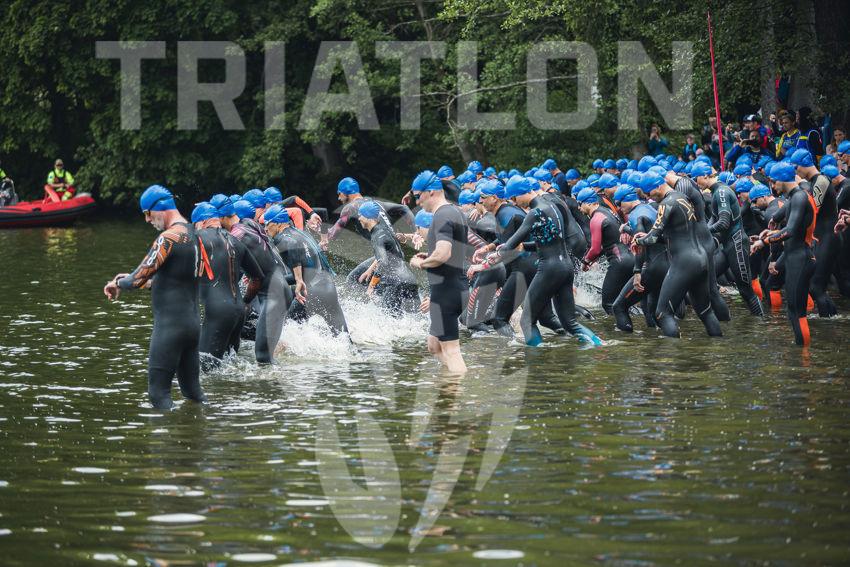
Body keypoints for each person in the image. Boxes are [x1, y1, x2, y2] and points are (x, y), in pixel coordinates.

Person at [102, 185, 207, 409]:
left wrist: (118, 283)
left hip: (171, 327)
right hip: (192, 326)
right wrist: (144, 281)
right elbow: (178, 279)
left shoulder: (168, 238)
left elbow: (137, 278)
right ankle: (209, 427)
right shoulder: (195, 235)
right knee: (192, 392)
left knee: (158, 394)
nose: (147, 220)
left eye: (147, 214)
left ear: (160, 208)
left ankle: (168, 433)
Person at [490, 176, 601, 346]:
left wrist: (495, 254)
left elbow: (508, 246)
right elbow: (550, 241)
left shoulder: (534, 213)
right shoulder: (552, 205)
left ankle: (537, 357)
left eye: (514, 198)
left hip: (549, 268)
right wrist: (524, 247)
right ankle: (598, 346)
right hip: (566, 267)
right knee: (570, 323)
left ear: (521, 193)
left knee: (526, 321)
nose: (514, 203)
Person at [633, 174, 723, 338]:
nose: (648, 197)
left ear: (658, 186)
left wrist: (638, 240)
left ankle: (673, 352)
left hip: (684, 262)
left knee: (662, 313)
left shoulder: (666, 203)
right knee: (705, 311)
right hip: (701, 258)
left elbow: (652, 238)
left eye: (648, 192)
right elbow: (676, 234)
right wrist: (647, 237)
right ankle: (719, 345)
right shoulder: (682, 198)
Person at [750, 162, 817, 346]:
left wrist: (764, 242)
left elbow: (791, 230)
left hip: (801, 258)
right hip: (796, 256)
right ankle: (803, 355)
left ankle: (804, 357)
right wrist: (771, 233)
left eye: (774, 181)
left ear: (782, 179)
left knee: (796, 313)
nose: (772, 186)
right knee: (794, 312)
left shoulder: (799, 197)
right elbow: (795, 229)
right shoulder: (795, 197)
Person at [194, 199, 265, 369]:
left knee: (204, 368)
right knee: (229, 365)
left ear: (201, 222)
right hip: (239, 312)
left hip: (218, 312)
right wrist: (245, 301)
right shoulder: (236, 241)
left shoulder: (199, 238)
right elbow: (258, 278)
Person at [408, 170, 467, 373]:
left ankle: (458, 387)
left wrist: (421, 263)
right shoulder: (454, 211)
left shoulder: (442, 215)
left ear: (431, 192)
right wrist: (429, 254)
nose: (417, 202)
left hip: (447, 292)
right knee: (434, 346)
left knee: (451, 351)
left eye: (418, 196)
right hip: (453, 287)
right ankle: (450, 383)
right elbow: (452, 251)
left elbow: (443, 254)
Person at [692, 162, 764, 316]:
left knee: (746, 291)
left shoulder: (721, 192)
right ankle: (722, 319)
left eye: (696, 178)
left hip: (737, 244)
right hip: (728, 246)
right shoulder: (717, 191)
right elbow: (714, 218)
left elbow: (724, 222)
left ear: (704, 176)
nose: (695, 183)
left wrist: (704, 232)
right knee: (707, 280)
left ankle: (761, 322)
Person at [265, 205, 349, 336]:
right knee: (343, 337)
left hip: (311, 292)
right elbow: (309, 268)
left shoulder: (282, 237)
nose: (265, 228)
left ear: (277, 223)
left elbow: (292, 247)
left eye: (267, 224)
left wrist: (298, 280)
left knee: (284, 333)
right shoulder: (300, 233)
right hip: (328, 287)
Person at [229, 199, 293, 363]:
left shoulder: (241, 234)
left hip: (274, 295)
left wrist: (245, 301)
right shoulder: (252, 227)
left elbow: (256, 279)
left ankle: (286, 376)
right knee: (263, 355)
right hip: (278, 290)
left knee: (263, 357)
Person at [611, 185, 668, 332]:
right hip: (665, 263)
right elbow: (650, 234)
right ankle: (663, 341)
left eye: (619, 203)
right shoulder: (648, 209)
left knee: (619, 307)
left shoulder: (636, 216)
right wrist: (626, 228)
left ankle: (627, 344)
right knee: (655, 313)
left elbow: (640, 245)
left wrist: (637, 272)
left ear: (627, 199)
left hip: (652, 267)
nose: (618, 208)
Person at [789, 148, 838, 317]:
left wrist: (798, 187)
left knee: (816, 286)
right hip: (823, 237)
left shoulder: (821, 180)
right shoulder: (815, 181)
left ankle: (829, 323)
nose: (795, 172)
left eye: (796, 167)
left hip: (829, 237)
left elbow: (812, 209)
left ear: (803, 164)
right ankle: (832, 319)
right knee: (817, 286)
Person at [357, 200, 420, 315]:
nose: (359, 218)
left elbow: (383, 262)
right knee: (418, 319)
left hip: (396, 283)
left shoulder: (377, 236)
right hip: (410, 279)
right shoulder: (385, 230)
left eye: (360, 215)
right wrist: (370, 270)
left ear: (368, 217)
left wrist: (371, 286)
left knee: (389, 320)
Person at [578, 187, 635, 314]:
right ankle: (635, 322)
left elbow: (595, 249)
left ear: (588, 203)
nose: (578, 208)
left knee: (608, 304)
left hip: (619, 262)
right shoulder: (606, 211)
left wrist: (585, 261)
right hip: (630, 258)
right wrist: (593, 260)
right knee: (622, 302)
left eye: (579, 204)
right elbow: (609, 242)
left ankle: (622, 327)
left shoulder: (596, 219)